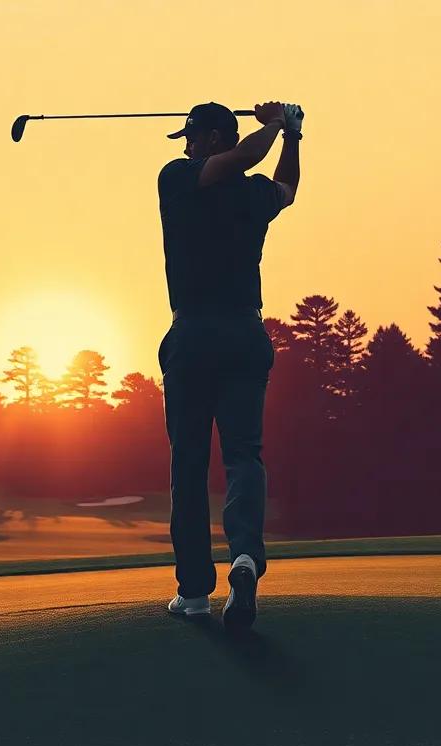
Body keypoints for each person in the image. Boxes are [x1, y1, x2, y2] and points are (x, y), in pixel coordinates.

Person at [156, 101, 301, 629]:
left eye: (192, 138)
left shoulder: (182, 179)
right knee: (243, 455)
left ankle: (195, 592)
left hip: (195, 334)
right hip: (244, 333)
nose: (186, 148)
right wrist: (286, 133)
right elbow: (279, 186)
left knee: (190, 465)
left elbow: (281, 186)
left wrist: (285, 134)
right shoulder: (212, 180)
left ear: (213, 138)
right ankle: (244, 556)